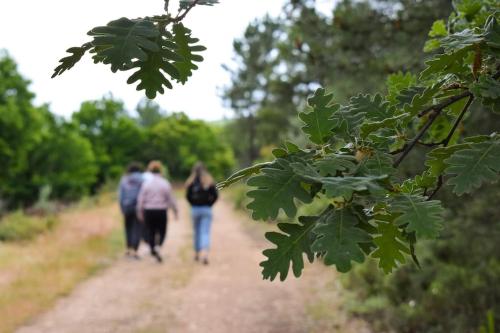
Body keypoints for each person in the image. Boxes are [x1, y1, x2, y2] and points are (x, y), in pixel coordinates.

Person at [136, 161, 178, 263]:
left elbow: (141, 199)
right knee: (162, 230)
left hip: (148, 211)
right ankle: (158, 246)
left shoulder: (146, 184)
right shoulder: (165, 183)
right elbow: (170, 199)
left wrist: (139, 211)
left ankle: (153, 248)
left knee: (151, 231)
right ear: (161, 171)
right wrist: (175, 211)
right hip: (161, 210)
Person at [185, 162, 218, 265]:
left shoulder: (191, 182)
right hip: (206, 209)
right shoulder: (209, 181)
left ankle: (196, 253)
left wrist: (193, 204)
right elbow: (215, 195)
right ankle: (205, 254)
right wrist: (209, 204)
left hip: (195, 210)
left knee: (196, 232)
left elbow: (187, 196)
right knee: (205, 232)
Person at [118, 162, 144, 259]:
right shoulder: (142, 179)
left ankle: (128, 249)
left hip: (126, 206)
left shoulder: (124, 180)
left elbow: (120, 195)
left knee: (128, 227)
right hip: (138, 207)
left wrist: (122, 207)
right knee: (137, 228)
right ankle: (135, 251)